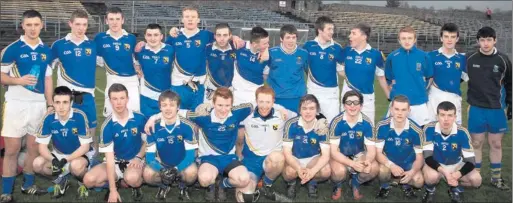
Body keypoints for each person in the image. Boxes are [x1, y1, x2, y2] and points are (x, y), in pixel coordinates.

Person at [144, 87, 254, 202]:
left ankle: (222, 184)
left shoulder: (237, 113)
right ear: (213, 103)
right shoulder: (203, 117)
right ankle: (211, 185)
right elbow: (174, 111)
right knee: (204, 179)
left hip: (229, 158)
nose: (223, 109)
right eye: (220, 105)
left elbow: (253, 106)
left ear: (232, 105)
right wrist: (153, 117)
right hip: (209, 158)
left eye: (227, 105)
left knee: (244, 179)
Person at [1, 9, 54, 202]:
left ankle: (28, 185)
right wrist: (19, 80)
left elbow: (48, 79)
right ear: (22, 26)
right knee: (12, 149)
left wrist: (50, 103)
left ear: (42, 26)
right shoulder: (13, 48)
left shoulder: (46, 51)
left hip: (38, 105)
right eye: (29, 24)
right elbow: (1, 76)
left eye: (36, 24)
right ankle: (6, 191)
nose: (32, 28)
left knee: (33, 148)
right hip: (16, 104)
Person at [82, 84, 147, 202]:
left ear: (127, 99)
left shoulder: (139, 118)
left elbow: (147, 142)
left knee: (132, 178)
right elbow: (110, 160)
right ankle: (115, 183)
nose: (119, 103)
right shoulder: (107, 126)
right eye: (115, 99)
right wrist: (112, 190)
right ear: (110, 101)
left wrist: (138, 157)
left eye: (122, 98)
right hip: (116, 162)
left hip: (134, 161)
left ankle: (134, 184)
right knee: (88, 180)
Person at [466, 26, 511, 190]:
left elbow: (510, 84)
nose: (486, 43)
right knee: (477, 143)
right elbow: (459, 78)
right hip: (477, 108)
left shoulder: (503, 60)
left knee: (496, 144)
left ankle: (495, 178)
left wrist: (510, 105)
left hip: (497, 109)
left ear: (495, 40)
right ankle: (475, 176)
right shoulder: (470, 58)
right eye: (482, 40)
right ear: (478, 41)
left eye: (489, 40)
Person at [51, 10, 99, 155]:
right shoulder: (59, 45)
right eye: (77, 24)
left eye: (84, 24)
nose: (81, 28)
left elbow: (112, 61)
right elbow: (45, 67)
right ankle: (59, 161)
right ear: (70, 24)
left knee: (91, 130)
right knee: (62, 131)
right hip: (66, 98)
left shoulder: (93, 45)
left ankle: (91, 159)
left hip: (87, 97)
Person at [32, 86, 94, 199]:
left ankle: (83, 184)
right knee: (37, 164)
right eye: (57, 102)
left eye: (65, 102)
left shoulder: (79, 116)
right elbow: (42, 147)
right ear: (53, 103)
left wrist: (66, 160)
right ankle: (61, 181)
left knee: (76, 166)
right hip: (58, 154)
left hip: (79, 155)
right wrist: (54, 160)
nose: (61, 106)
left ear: (71, 103)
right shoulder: (48, 118)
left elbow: (85, 147)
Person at [238, 86, 296, 202]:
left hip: (272, 158)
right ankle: (256, 185)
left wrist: (320, 121)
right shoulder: (247, 114)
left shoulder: (282, 113)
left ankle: (266, 185)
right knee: (244, 197)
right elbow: (226, 113)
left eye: (268, 102)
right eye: (261, 102)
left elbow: (303, 116)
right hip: (251, 160)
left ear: (273, 101)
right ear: (256, 101)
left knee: (277, 158)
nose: (264, 106)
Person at [422, 101, 482, 203]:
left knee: (476, 181)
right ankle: (430, 190)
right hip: (436, 164)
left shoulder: (462, 132)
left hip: (456, 164)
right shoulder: (429, 129)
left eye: (450, 115)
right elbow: (427, 157)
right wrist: (444, 172)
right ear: (437, 116)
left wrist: (458, 174)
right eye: (442, 115)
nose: (446, 119)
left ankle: (455, 188)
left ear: (455, 117)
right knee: (431, 177)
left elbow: (471, 161)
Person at [143, 90, 198, 200]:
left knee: (192, 173)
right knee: (148, 174)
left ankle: (183, 185)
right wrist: (162, 170)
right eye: (164, 105)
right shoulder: (153, 127)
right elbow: (149, 157)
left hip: (182, 164)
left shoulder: (187, 126)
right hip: (163, 164)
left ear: (178, 107)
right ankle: (164, 185)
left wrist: (176, 169)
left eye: (172, 105)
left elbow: (190, 155)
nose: (168, 108)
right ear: (160, 108)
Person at [329, 90, 378, 200]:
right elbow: (333, 151)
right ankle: (338, 184)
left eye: (356, 103)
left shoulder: (367, 123)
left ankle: (355, 182)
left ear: (361, 106)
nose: (352, 106)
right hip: (340, 154)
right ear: (344, 105)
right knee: (339, 172)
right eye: (349, 102)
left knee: (373, 168)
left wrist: (368, 161)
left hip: (358, 154)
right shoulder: (336, 122)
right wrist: (351, 164)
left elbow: (371, 150)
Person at [375, 95, 424, 199]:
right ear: (391, 110)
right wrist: (391, 165)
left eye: (403, 110)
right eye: (396, 109)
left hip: (408, 163)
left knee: (418, 181)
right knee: (382, 171)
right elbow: (378, 153)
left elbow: (420, 157)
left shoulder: (416, 130)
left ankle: (405, 185)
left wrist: (412, 172)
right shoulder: (382, 126)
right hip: (388, 162)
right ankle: (385, 186)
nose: (400, 113)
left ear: (409, 111)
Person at [282, 94, 331, 199]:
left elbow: (326, 155)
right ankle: (292, 183)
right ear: (299, 110)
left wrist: (312, 171)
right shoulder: (291, 124)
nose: (308, 112)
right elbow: (287, 152)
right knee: (289, 172)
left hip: (313, 158)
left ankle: (311, 181)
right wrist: (298, 168)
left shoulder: (322, 126)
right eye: (304, 108)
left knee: (326, 171)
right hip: (295, 157)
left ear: (317, 110)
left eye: (312, 108)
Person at [95, 7, 140, 117]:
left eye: (117, 19)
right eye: (111, 19)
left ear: (122, 20)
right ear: (106, 21)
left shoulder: (131, 38)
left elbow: (136, 59)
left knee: (134, 115)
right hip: (112, 79)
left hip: (131, 81)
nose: (114, 22)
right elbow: (97, 59)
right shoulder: (100, 38)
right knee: (111, 115)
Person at [385, 26, 433, 127]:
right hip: (398, 105)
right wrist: (396, 92)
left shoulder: (424, 56)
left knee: (421, 136)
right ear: (399, 40)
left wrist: (420, 90)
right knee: (396, 135)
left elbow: (430, 77)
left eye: (410, 38)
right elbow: (388, 79)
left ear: (415, 39)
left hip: (418, 103)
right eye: (403, 38)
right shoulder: (392, 57)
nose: (407, 41)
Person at [340, 23, 389, 124]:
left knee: (368, 131)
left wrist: (389, 97)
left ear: (364, 37)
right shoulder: (346, 51)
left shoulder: (375, 54)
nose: (350, 36)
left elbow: (381, 78)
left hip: (367, 99)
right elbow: (337, 67)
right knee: (345, 129)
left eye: (353, 33)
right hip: (347, 98)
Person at [302, 16, 344, 122]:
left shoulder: (337, 48)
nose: (332, 32)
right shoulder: (308, 46)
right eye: (329, 29)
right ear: (320, 30)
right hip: (313, 91)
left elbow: (341, 71)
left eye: (333, 29)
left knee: (332, 124)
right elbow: (301, 66)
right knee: (313, 124)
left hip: (331, 94)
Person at [427, 23, 467, 125]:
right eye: (446, 36)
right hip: (434, 97)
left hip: (454, 97)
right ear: (441, 38)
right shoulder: (430, 56)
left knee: (454, 129)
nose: (449, 40)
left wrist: (451, 85)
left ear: (457, 39)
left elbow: (464, 77)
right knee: (432, 128)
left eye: (453, 37)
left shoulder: (462, 59)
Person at [264, 24, 309, 113]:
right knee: (277, 126)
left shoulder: (303, 53)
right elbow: (264, 74)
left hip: (297, 97)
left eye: (293, 37)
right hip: (277, 98)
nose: (291, 41)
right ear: (281, 38)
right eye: (288, 37)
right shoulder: (272, 53)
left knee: (296, 125)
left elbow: (309, 74)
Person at [136, 23, 174, 117]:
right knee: (147, 127)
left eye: (156, 35)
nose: (152, 38)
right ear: (145, 36)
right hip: (146, 96)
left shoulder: (170, 50)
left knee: (163, 126)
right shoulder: (140, 51)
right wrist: (137, 69)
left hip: (166, 97)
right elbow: (135, 64)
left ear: (161, 36)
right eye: (149, 35)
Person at [232, 26, 270, 106]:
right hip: (238, 96)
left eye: (268, 42)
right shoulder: (239, 46)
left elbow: (267, 76)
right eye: (265, 43)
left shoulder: (268, 55)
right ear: (255, 44)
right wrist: (233, 37)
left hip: (256, 97)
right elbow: (220, 38)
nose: (268, 46)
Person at [204, 23, 236, 103]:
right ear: (214, 36)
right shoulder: (206, 49)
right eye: (219, 35)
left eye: (225, 35)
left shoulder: (236, 48)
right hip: (211, 92)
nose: (222, 38)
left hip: (230, 92)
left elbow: (254, 44)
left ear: (230, 36)